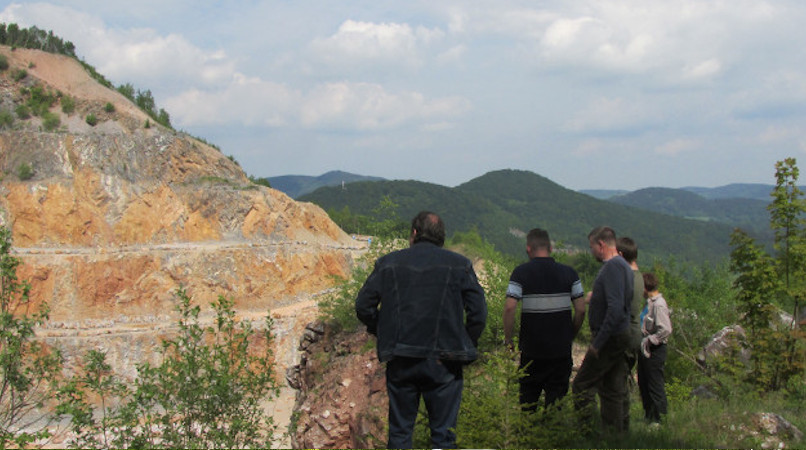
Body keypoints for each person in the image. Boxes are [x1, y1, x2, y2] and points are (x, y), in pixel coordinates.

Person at [355, 211, 487, 449]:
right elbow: (478, 313)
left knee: (400, 433)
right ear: (442, 237)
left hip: (402, 357)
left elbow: (363, 306)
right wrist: (465, 340)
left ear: (414, 233)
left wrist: (383, 330)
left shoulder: (388, 263)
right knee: (443, 437)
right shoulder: (460, 265)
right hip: (445, 361)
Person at [503, 228, 585, 410]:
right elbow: (580, 310)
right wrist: (570, 335)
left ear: (528, 249)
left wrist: (508, 340)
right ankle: (553, 437)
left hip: (532, 350)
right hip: (560, 351)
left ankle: (529, 437)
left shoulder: (520, 273)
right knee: (556, 405)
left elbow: (510, 307)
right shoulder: (570, 273)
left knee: (528, 403)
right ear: (550, 248)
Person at [571, 226, 633, 433]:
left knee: (581, 385)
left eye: (592, 247)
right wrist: (595, 297)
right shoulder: (624, 265)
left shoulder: (612, 267)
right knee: (612, 388)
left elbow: (615, 309)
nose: (591, 252)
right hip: (619, 334)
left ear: (601, 244)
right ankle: (615, 434)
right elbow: (621, 300)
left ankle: (587, 433)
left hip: (610, 336)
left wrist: (598, 343)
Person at [616, 236, 645, 431]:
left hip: (625, 335)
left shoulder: (628, 279)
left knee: (618, 382)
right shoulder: (640, 276)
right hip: (635, 334)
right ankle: (622, 425)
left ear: (620, 255)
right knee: (623, 379)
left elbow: (617, 310)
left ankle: (619, 428)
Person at [638, 272, 672, 424]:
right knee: (644, 383)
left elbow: (665, 329)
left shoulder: (659, 304)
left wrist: (651, 340)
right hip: (645, 349)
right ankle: (649, 416)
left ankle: (659, 418)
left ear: (646, 287)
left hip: (655, 350)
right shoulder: (649, 303)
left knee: (654, 384)